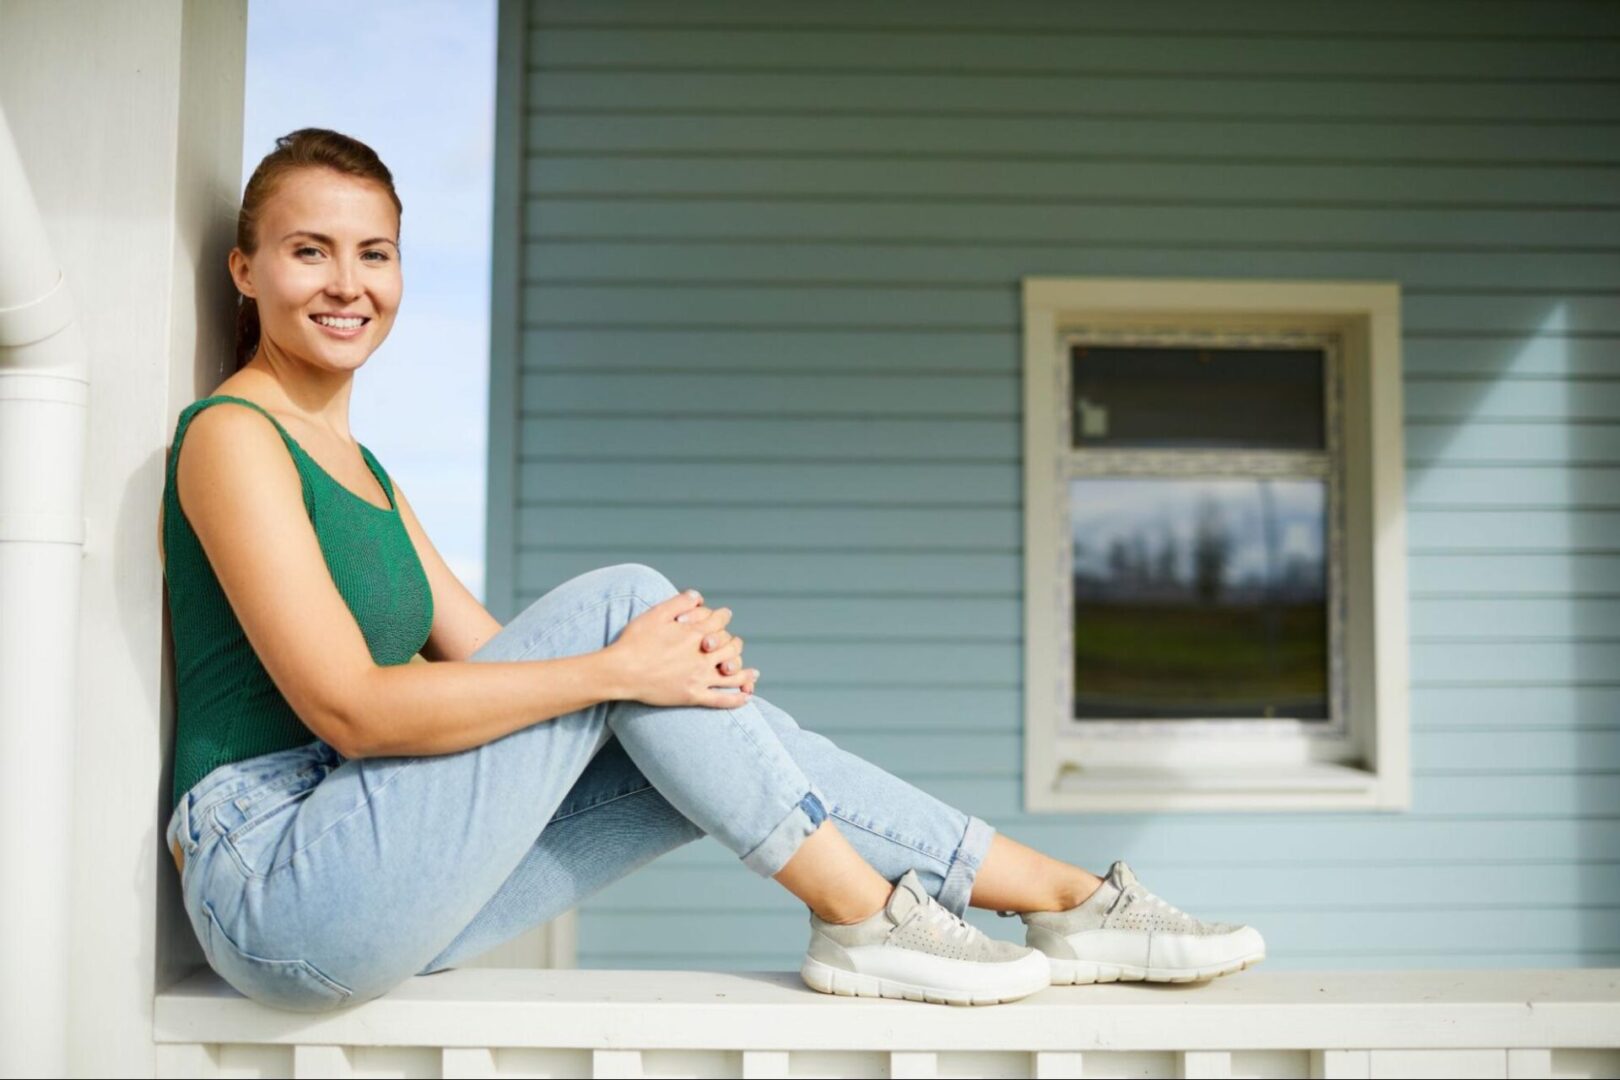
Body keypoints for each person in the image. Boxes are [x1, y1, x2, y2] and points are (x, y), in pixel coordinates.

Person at [160, 127, 1265, 1014]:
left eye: (374, 253)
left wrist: (663, 684)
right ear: (245, 268)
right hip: (282, 885)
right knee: (629, 613)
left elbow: (497, 669)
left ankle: (1060, 898)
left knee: (701, 719)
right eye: (311, 251)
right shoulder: (231, 437)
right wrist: (623, 665)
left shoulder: (368, 473)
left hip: (388, 871)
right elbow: (351, 709)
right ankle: (874, 917)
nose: (347, 283)